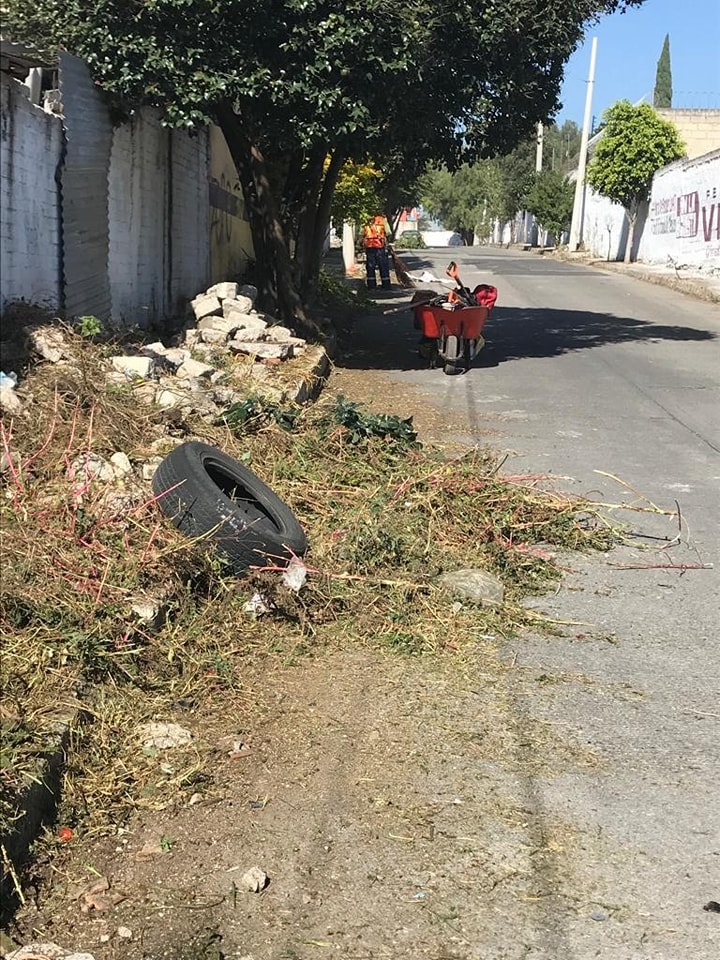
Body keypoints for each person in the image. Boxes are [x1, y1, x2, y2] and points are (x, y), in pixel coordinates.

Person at [362, 215, 391, 290]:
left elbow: (361, 234)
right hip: (380, 247)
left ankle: (371, 286)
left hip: (369, 246)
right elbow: (388, 233)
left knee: (370, 266)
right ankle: (386, 285)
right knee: (383, 266)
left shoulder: (365, 220)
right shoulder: (382, 220)